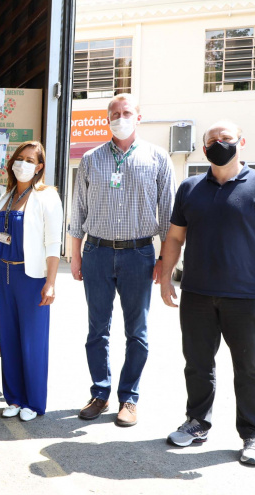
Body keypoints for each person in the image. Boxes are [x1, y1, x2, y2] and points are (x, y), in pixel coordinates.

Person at [160, 121, 255, 466]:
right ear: (203, 149)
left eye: (226, 139)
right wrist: (164, 278)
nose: (219, 144)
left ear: (241, 143)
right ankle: (197, 423)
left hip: (247, 296)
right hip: (197, 294)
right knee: (198, 365)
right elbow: (174, 237)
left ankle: (253, 435)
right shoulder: (190, 188)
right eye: (212, 141)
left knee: (250, 368)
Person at [68, 93, 175, 427]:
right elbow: (78, 211)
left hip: (139, 255)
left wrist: (164, 263)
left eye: (126, 112)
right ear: (107, 119)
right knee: (96, 330)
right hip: (97, 252)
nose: (120, 117)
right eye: (114, 113)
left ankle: (128, 399)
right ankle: (100, 393)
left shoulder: (158, 158)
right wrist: (75, 255)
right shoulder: (90, 159)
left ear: (138, 116)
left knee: (137, 332)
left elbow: (170, 218)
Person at [0, 141, 62, 422]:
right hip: (3, 275)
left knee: (32, 341)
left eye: (30, 160)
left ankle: (33, 402)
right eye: (19, 158)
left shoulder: (47, 197)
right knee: (10, 339)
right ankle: (13, 398)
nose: (23, 163)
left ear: (39, 167)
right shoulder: (6, 197)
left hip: (31, 277)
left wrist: (50, 283)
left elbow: (53, 244)